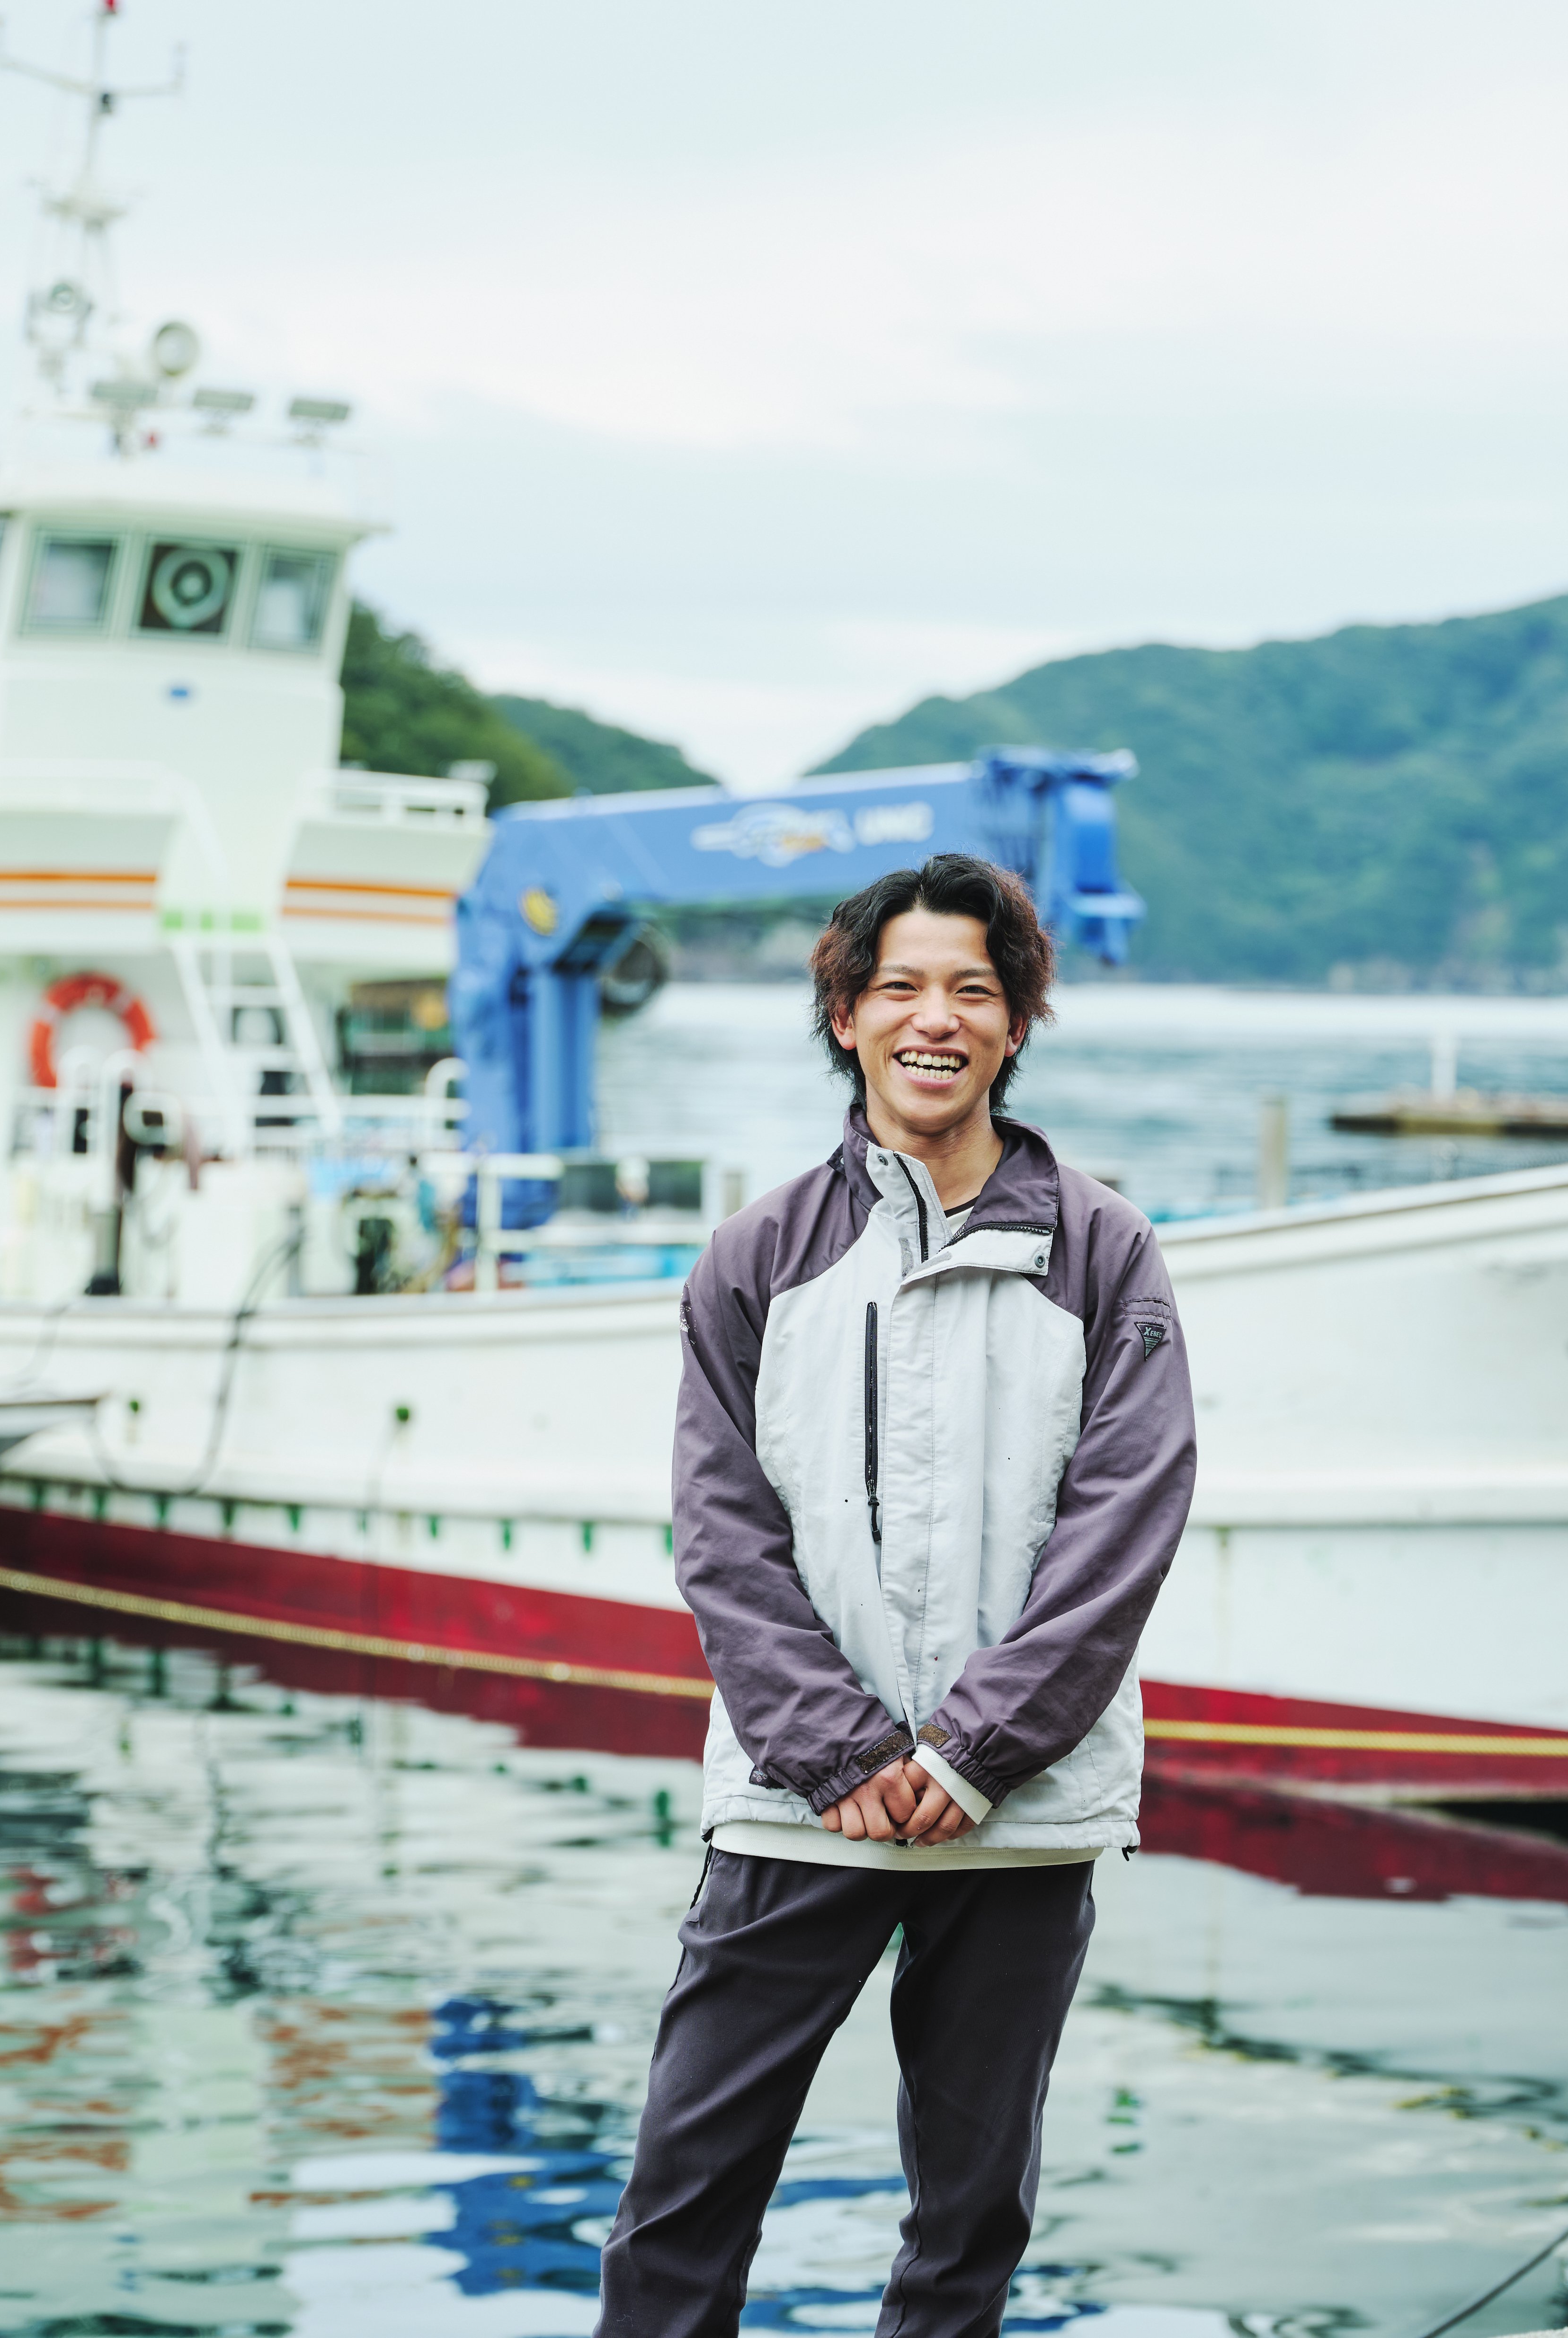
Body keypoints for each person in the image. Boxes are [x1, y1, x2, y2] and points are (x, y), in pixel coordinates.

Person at [595, 853, 1198, 2338]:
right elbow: (722, 1530)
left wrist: (974, 1748)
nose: (937, 1018)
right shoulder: (757, 1257)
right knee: (684, 2192)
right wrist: (839, 1749)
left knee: (971, 2212)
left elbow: (1124, 1524)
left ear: (1017, 1021)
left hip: (1017, 1807)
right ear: (848, 1014)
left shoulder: (1103, 1250)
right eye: (902, 987)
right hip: (800, 1800)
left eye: (973, 990)